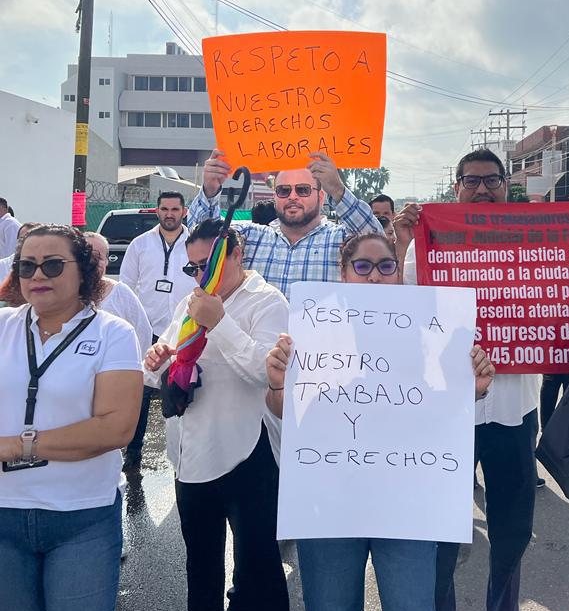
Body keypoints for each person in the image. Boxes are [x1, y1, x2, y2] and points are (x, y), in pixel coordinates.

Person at [264, 232, 495, 611]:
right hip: (329, 507)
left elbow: (445, 415)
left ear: (400, 271)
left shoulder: (434, 332)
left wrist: (472, 390)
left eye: (385, 266)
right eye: (363, 267)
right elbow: (287, 412)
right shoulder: (313, 329)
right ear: (344, 272)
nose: (374, 276)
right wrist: (278, 384)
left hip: (406, 507)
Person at [396, 149, 540, 611]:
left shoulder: (538, 244)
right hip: (447, 412)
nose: (482, 191)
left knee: (510, 533)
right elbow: (405, 319)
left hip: (512, 412)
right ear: (454, 188)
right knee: (442, 534)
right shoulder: (427, 249)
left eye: (492, 181)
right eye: (471, 182)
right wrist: (407, 244)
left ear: (508, 188)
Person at [143, 219, 290, 611]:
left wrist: (221, 321)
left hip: (248, 451)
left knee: (260, 572)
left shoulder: (267, 301)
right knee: (200, 566)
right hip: (192, 453)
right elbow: (158, 366)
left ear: (235, 255)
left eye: (208, 263)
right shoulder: (190, 302)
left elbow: (265, 373)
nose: (199, 274)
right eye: (192, 265)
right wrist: (157, 359)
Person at [0, 224, 143, 611]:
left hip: (81, 520)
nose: (38, 275)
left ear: (86, 271)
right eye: (27, 265)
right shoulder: (2, 326)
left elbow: (116, 427)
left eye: (53, 264)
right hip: (5, 519)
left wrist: (20, 445)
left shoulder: (113, 333)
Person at [186, 149, 383, 296]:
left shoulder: (341, 239)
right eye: (284, 190)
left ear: (322, 197)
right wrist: (210, 189)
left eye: (303, 190)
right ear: (275, 196)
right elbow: (199, 235)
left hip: (320, 349)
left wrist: (339, 191)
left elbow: (378, 244)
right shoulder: (250, 236)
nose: (293, 197)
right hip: (253, 349)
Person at [118, 192, 197, 469]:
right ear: (158, 211)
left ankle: (186, 454)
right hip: (147, 330)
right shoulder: (140, 245)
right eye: (164, 208)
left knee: (184, 393)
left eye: (175, 208)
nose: (170, 214)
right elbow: (126, 286)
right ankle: (133, 453)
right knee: (139, 394)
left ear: (184, 211)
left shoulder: (194, 245)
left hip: (184, 332)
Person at [85, 233, 153, 357]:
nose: (91, 262)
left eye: (98, 257)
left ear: (106, 261)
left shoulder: (121, 293)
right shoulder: (64, 294)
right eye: (86, 256)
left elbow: (143, 334)